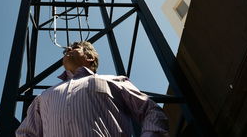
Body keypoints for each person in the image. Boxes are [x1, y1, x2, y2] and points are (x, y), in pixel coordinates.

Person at [16, 41, 169, 137]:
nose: (68, 48)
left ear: (90, 57)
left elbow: (151, 110)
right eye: (67, 49)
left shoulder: (114, 80)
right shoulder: (43, 97)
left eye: (75, 47)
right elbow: (26, 133)